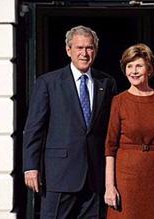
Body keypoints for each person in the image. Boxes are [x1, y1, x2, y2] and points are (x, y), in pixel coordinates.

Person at [23, 25, 117, 218]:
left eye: (89, 48)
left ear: (96, 51)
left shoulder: (106, 83)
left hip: (94, 176)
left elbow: (111, 130)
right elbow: (34, 128)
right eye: (79, 48)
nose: (84, 53)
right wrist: (31, 166)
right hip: (59, 175)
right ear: (68, 50)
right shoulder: (48, 83)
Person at [104, 43, 154, 219]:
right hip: (126, 177)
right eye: (129, 66)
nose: (134, 71)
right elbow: (110, 146)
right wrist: (109, 186)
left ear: (150, 68)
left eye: (139, 65)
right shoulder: (119, 101)